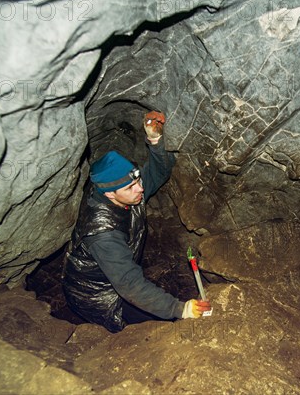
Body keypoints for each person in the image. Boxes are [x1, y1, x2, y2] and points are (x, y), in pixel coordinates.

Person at [62, 110, 211, 333]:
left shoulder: (126, 189)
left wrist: (155, 139)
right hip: (98, 295)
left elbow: (158, 172)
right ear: (110, 195)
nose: (140, 188)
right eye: (131, 187)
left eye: (138, 181)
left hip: (115, 273)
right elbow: (129, 285)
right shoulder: (103, 234)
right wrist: (180, 309)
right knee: (161, 330)